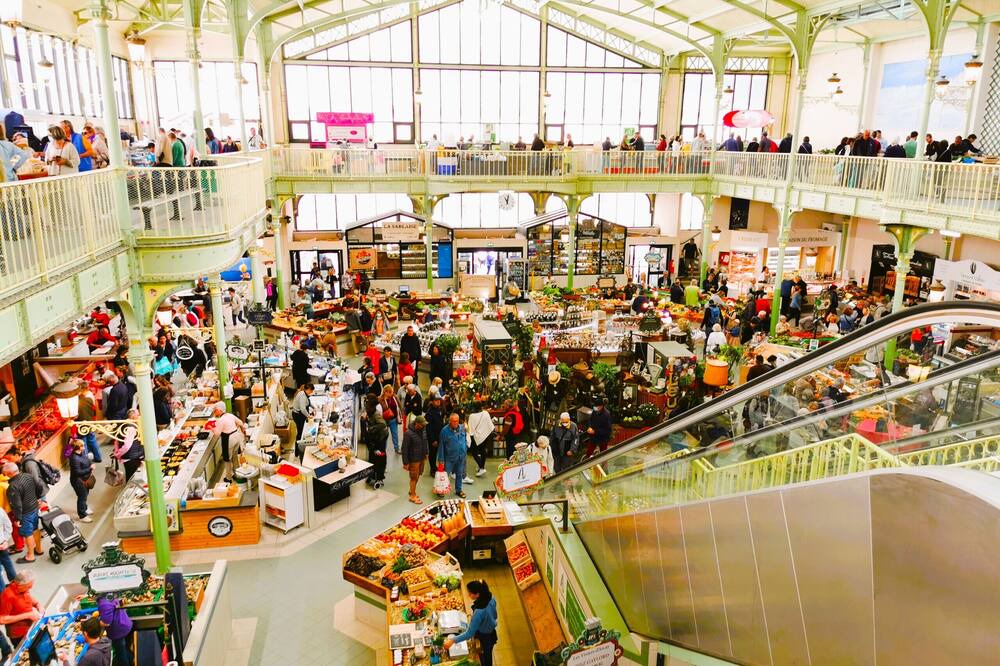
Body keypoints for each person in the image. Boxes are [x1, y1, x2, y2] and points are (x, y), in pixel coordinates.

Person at [443, 580, 498, 666]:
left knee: (485, 657)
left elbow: (469, 634)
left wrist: (452, 640)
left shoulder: (479, 612)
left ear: (477, 594)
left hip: (484, 636)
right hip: (491, 632)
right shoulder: (491, 598)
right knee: (488, 654)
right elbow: (495, 615)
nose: (468, 595)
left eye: (470, 593)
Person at [3, 464, 43, 564]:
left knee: (27, 533)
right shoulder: (28, 476)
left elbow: (17, 505)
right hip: (34, 507)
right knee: (35, 529)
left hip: (25, 513)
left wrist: (17, 519)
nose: (4, 475)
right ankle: (39, 549)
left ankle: (30, 556)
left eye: (5, 473)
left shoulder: (13, 486)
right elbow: (39, 486)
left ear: (8, 473)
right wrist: (38, 497)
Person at [0, 571, 41, 648]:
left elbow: (29, 598)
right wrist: (27, 615)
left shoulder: (23, 589)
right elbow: (2, 619)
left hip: (30, 628)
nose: (30, 589)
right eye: (28, 587)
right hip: (19, 635)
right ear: (20, 585)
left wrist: (38, 604)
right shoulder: (7, 596)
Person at [209, 402, 246, 480]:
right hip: (236, 436)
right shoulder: (230, 415)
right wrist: (241, 429)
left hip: (229, 439)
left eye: (215, 410)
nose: (215, 412)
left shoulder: (221, 420)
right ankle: (237, 475)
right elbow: (240, 422)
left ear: (219, 410)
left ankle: (228, 478)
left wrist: (210, 428)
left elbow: (217, 433)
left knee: (227, 459)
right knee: (235, 457)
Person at [438, 413, 470, 498]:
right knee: (445, 475)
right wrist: (441, 460)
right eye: (453, 421)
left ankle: (458, 490)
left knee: (459, 474)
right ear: (450, 421)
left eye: (457, 421)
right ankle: (441, 489)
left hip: (461, 456)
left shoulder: (462, 428)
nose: (455, 423)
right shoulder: (444, 431)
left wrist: (465, 449)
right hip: (449, 457)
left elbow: (465, 439)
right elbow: (441, 446)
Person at [96, 594, 133, 666]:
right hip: (124, 624)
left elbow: (106, 623)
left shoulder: (105, 603)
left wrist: (94, 621)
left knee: (120, 653)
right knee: (124, 649)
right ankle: (131, 660)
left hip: (118, 631)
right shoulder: (109, 595)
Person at [401, 415, 428, 504]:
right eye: (422, 424)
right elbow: (404, 449)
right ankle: (412, 496)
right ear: (417, 424)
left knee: (418, 474)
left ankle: (411, 490)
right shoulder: (408, 434)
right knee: (413, 477)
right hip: (414, 459)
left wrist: (426, 453)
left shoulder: (423, 430)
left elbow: (425, 442)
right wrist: (405, 463)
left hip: (422, 457)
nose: (424, 426)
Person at [68, 439, 95, 523]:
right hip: (78, 481)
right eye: (82, 445)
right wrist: (90, 468)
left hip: (85, 479)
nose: (84, 447)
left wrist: (90, 463)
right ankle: (82, 515)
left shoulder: (81, 453)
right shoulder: (74, 458)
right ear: (78, 447)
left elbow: (86, 460)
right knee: (82, 497)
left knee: (85, 495)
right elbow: (77, 472)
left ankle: (85, 508)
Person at [364, 399, 388, 487]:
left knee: (379, 459)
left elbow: (383, 424)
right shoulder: (371, 413)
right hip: (374, 439)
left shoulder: (376, 414)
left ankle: (379, 477)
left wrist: (371, 428)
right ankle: (372, 475)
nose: (366, 408)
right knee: (372, 458)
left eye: (367, 406)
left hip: (380, 440)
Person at [467, 403, 494, 477]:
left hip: (476, 436)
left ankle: (481, 468)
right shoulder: (486, 413)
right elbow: (489, 424)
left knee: (474, 452)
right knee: (483, 450)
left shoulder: (472, 416)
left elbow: (471, 428)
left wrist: (470, 437)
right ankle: (481, 466)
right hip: (485, 435)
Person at [424, 394, 444, 478]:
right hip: (433, 437)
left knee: (438, 453)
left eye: (439, 400)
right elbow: (429, 427)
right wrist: (433, 440)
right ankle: (432, 469)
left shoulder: (439, 409)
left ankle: (437, 467)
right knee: (433, 454)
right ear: (432, 401)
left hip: (440, 435)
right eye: (436, 400)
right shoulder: (429, 412)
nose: (438, 402)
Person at [380, 385, 401, 454]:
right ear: (385, 392)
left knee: (395, 434)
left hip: (393, 420)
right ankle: (384, 449)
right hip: (384, 421)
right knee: (385, 435)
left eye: (392, 392)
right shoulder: (380, 399)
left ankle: (396, 448)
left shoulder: (394, 397)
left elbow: (399, 405)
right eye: (390, 392)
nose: (392, 393)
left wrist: (400, 415)